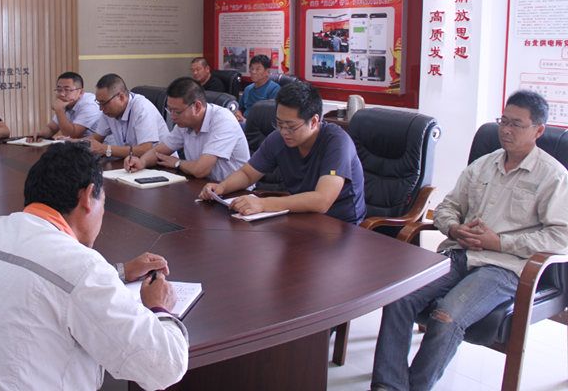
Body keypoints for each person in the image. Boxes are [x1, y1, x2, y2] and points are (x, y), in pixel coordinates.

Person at [0, 142, 189, 390]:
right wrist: (159, 308)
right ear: (88, 196)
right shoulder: (81, 268)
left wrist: (119, 272)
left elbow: (50, 277)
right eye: (103, 202)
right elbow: (166, 368)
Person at [370, 90, 568, 391]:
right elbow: (447, 208)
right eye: (503, 121)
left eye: (516, 124)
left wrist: (498, 242)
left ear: (538, 130)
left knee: (446, 316)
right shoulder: (484, 165)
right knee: (398, 298)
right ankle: (388, 386)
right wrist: (454, 228)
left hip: (504, 268)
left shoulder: (553, 176)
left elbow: (560, 236)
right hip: (459, 254)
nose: (505, 130)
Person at [199, 81, 366, 225]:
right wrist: (222, 187)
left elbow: (322, 200)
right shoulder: (279, 138)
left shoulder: (337, 142)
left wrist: (263, 204)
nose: (284, 131)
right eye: (279, 124)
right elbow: (248, 174)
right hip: (301, 218)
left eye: (291, 126)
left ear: (314, 121)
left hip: (342, 225)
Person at [125, 77, 249, 182]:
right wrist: (141, 162)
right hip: (203, 186)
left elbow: (200, 170)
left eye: (177, 112)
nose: (172, 117)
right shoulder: (184, 123)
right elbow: (159, 151)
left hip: (235, 193)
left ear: (197, 107)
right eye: (170, 110)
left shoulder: (223, 120)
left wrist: (177, 163)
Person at [84, 73, 169, 158]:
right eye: (99, 103)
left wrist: (105, 149)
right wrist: (77, 143)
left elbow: (145, 150)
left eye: (104, 103)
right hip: (132, 161)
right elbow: (96, 138)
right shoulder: (108, 111)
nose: (101, 108)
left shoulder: (142, 107)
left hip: (160, 162)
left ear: (121, 97)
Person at [34, 71, 101, 139]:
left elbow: (73, 134)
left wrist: (59, 110)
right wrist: (39, 135)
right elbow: (51, 128)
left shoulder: (90, 104)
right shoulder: (67, 102)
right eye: (59, 90)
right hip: (79, 143)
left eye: (67, 90)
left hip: (100, 144)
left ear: (81, 92)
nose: (62, 94)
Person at [234, 54, 280, 123]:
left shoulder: (274, 89)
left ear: (267, 72)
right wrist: (238, 114)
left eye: (258, 69)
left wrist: (246, 121)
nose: (253, 72)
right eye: (251, 68)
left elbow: (271, 116)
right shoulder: (248, 89)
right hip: (243, 123)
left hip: (260, 125)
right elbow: (240, 108)